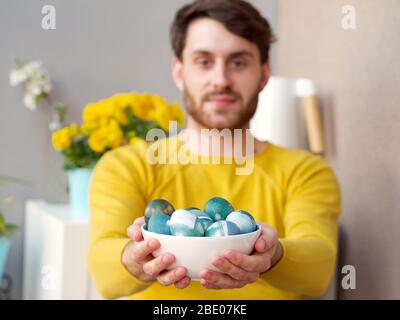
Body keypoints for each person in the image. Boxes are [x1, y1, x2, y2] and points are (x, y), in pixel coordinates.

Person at [87, 0, 341, 300]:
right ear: (179, 72)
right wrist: (134, 257)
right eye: (204, 61)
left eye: (238, 62)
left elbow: (318, 271)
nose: (220, 80)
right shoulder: (127, 166)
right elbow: (104, 274)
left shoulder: (305, 171)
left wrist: (273, 255)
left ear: (263, 74)